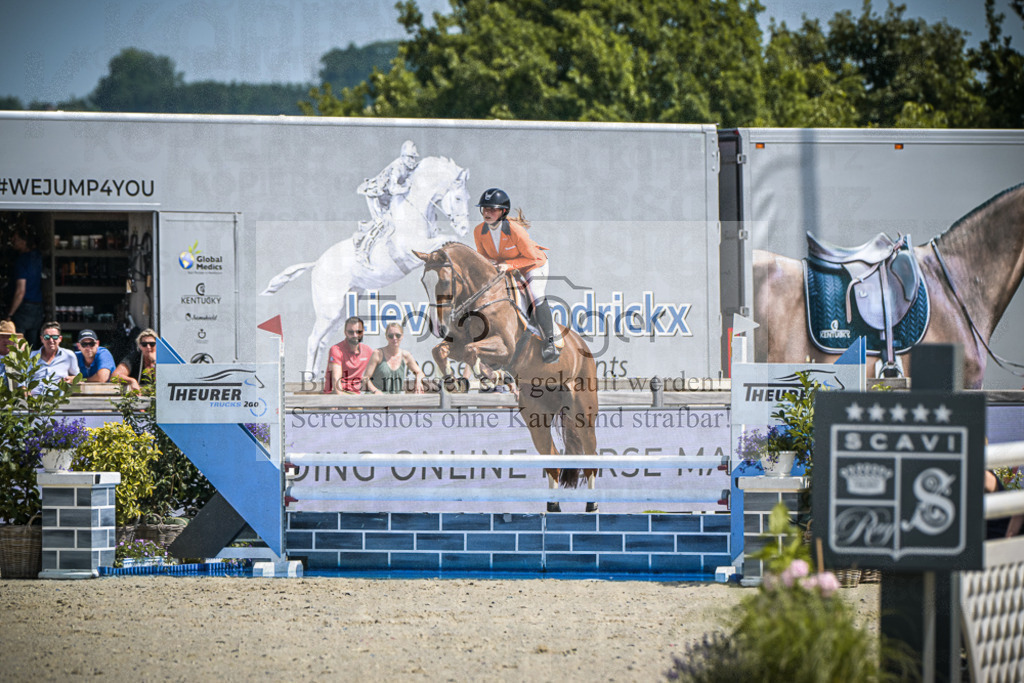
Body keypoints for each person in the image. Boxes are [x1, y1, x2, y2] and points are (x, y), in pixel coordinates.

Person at [473, 187, 559, 363]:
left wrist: (510, 265)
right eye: (485, 209)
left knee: (535, 293)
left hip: (533, 264)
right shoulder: (478, 231)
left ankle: (550, 342)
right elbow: (483, 257)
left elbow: (531, 257)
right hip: (507, 268)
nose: (487, 213)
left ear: (503, 211)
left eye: (492, 209)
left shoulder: (515, 230)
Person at [353, 140, 421, 267]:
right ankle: (362, 252)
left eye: (414, 157)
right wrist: (407, 188)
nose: (412, 160)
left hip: (387, 197)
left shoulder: (410, 168)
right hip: (376, 195)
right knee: (382, 223)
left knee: (395, 222)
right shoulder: (397, 168)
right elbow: (393, 189)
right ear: (403, 156)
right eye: (410, 157)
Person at [363, 322, 427, 394]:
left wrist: (418, 381)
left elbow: (420, 372)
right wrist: (375, 391)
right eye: (391, 336)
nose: (394, 338)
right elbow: (365, 378)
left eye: (398, 335)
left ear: (402, 336)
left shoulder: (405, 355)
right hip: (377, 401)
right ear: (386, 337)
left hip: (395, 401)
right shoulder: (378, 354)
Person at [8, 226, 44, 347]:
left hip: (24, 308)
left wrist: (10, 314)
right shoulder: (38, 256)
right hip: (38, 307)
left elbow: (20, 291)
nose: (12, 241)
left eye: (15, 239)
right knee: (33, 345)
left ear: (24, 241)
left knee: (18, 344)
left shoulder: (22, 261)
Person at [323, 316, 373, 395]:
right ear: (345, 332)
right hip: (336, 395)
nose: (355, 335)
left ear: (363, 331)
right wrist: (341, 403)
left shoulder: (367, 351)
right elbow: (336, 379)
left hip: (355, 396)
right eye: (351, 332)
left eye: (358, 331)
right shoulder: (336, 350)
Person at [30, 322, 79, 391]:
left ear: (60, 339)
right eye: (47, 337)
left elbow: (78, 377)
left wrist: (72, 379)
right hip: (35, 399)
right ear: (41, 339)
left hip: (58, 399)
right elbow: (24, 380)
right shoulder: (31, 356)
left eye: (55, 337)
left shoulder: (69, 355)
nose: (51, 340)